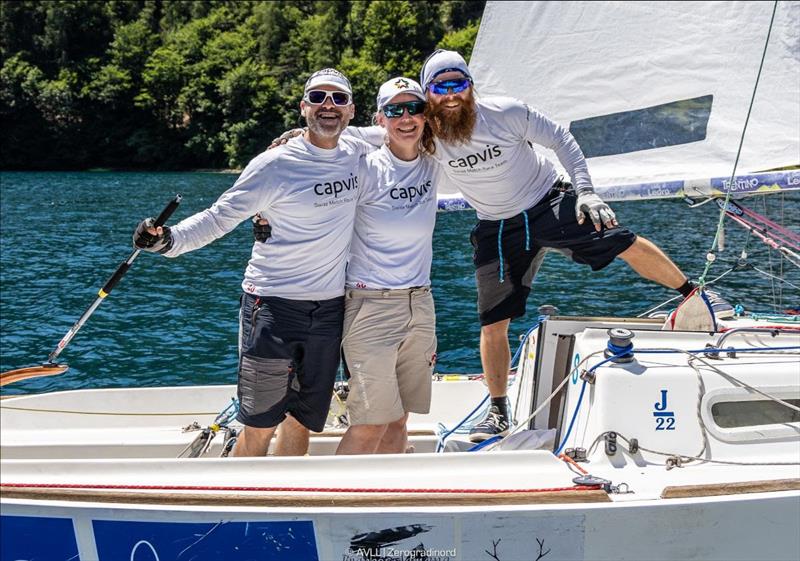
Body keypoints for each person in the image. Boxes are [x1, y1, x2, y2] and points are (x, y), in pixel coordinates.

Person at [409, 50, 732, 442]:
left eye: (458, 83)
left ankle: (696, 296)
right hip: (497, 226)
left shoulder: (506, 112)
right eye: (440, 87)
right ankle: (497, 411)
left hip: (547, 201)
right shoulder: (424, 133)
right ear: (428, 93)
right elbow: (377, 138)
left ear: (470, 85)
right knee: (492, 321)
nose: (451, 94)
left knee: (619, 238)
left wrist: (586, 192)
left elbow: (561, 138)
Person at [133, 68, 372, 456]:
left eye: (338, 99)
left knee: (302, 420)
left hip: (329, 310)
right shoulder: (273, 164)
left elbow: (404, 130)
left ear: (350, 111)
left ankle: (286, 504)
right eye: (318, 98)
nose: (328, 106)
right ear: (303, 108)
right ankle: (243, 505)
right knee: (260, 423)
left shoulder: (360, 151)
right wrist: (169, 241)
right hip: (272, 306)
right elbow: (218, 216)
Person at [335, 77, 441, 455]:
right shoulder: (363, 168)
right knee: (370, 423)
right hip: (371, 306)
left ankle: (385, 502)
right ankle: (334, 506)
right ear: (380, 118)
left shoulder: (434, 164)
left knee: (399, 418)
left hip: (420, 303)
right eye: (395, 110)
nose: (406, 118)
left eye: (415, 108)